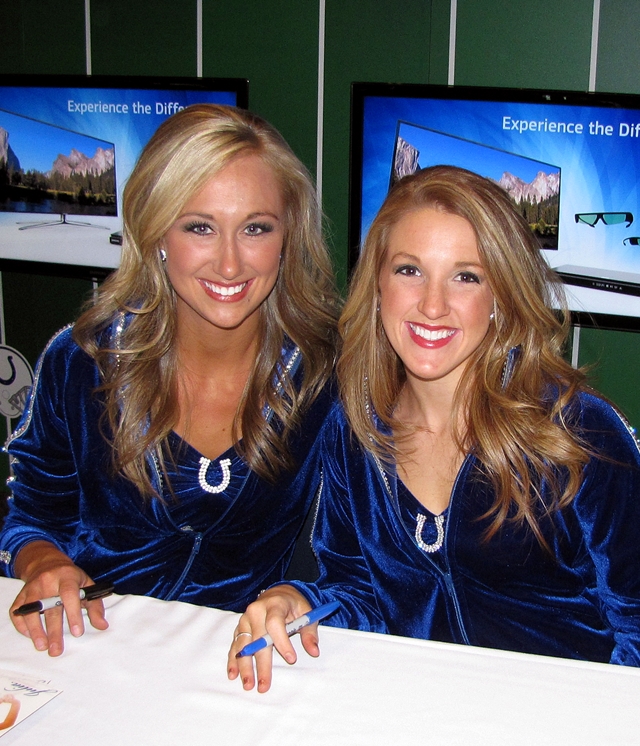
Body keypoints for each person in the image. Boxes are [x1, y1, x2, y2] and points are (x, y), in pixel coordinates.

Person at [228, 165, 640, 692]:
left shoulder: (577, 431)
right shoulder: (354, 428)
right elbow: (359, 591)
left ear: (502, 297)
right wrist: (299, 600)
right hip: (412, 719)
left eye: (465, 276)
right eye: (409, 270)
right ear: (377, 284)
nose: (432, 304)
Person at [0, 104, 339, 656]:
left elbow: (352, 550)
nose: (230, 264)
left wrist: (297, 591)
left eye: (255, 228)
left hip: (243, 662)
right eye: (200, 227)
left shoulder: (326, 377)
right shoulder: (81, 360)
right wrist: (44, 561)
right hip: (91, 645)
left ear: (288, 236)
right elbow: (34, 512)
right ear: (156, 231)